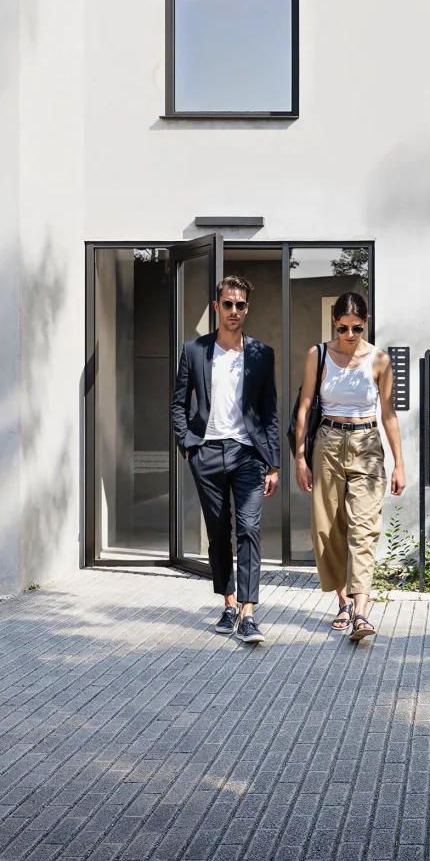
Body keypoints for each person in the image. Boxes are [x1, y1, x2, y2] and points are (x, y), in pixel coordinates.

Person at [171, 272, 280, 645]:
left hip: (248, 453)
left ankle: (249, 613)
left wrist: (274, 463)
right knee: (218, 535)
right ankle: (228, 604)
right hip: (207, 452)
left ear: (247, 309)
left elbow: (269, 413)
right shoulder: (195, 350)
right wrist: (188, 444)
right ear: (217, 306)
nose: (234, 310)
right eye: (228, 304)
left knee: (248, 529)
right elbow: (179, 403)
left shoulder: (262, 355)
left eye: (241, 305)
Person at [293, 290, 405, 643]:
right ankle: (342, 602)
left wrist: (400, 463)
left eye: (357, 328)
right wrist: (299, 457)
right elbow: (305, 407)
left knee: (364, 526)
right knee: (327, 528)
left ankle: (360, 613)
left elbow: (388, 414)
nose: (351, 335)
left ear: (365, 323)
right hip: (327, 443)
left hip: (367, 444)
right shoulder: (319, 354)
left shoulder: (379, 360)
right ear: (334, 322)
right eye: (344, 328)